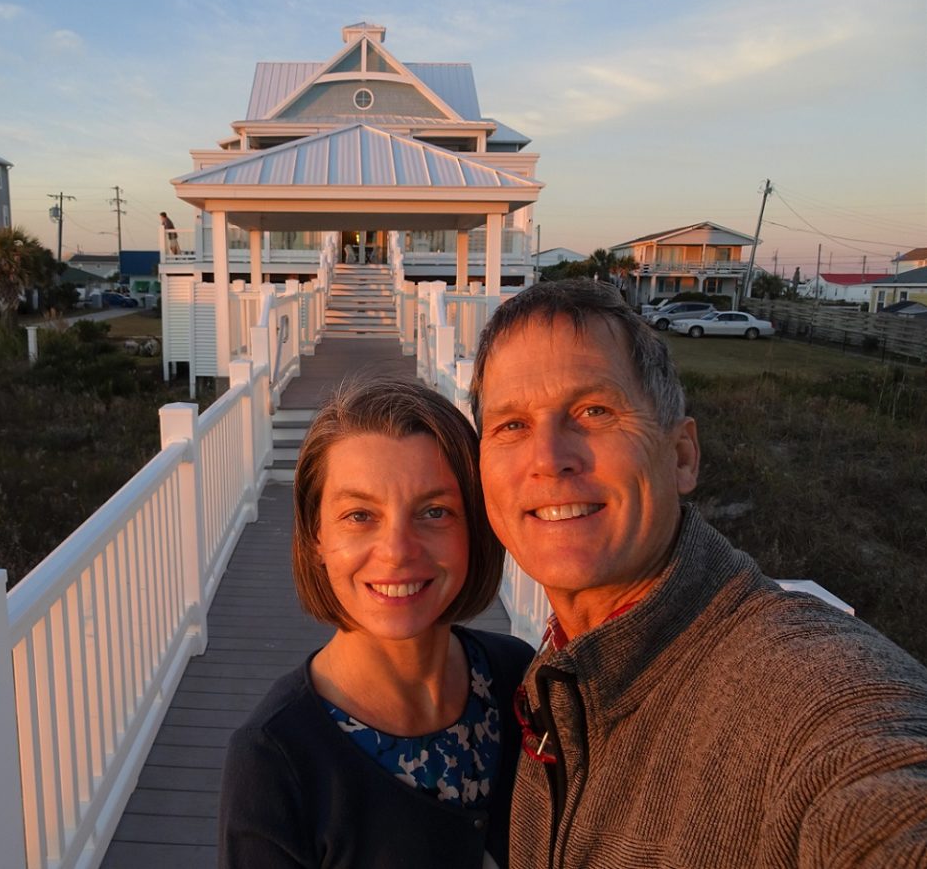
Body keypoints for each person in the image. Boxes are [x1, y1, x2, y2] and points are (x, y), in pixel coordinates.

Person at [468, 278, 927, 867]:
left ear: (681, 456)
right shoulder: (553, 682)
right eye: (511, 425)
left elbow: (875, 763)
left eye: (595, 411)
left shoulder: (795, 690)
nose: (548, 456)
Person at [219, 379, 535, 868]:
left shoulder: (520, 680)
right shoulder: (276, 758)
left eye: (435, 511)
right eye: (360, 515)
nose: (397, 550)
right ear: (316, 536)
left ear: (474, 526)